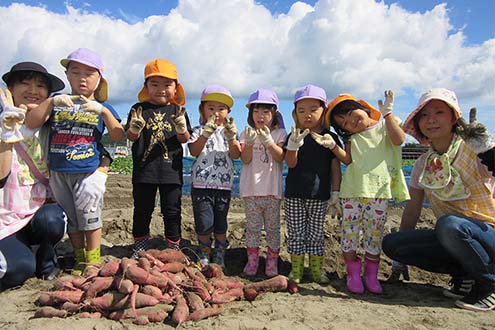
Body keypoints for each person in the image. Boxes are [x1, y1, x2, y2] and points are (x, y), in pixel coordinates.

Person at [382, 88, 495, 311]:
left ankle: (490, 284)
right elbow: (413, 209)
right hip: (454, 236)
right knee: (394, 244)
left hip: (487, 233)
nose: (431, 120)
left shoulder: (474, 150)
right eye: (424, 115)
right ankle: (464, 276)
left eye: (439, 112)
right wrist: (399, 260)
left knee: (450, 224)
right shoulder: (423, 164)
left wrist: (488, 151)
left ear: (454, 118)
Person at [25, 48, 124, 273]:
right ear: (67, 75)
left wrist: (103, 113)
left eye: (89, 73)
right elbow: (31, 122)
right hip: (58, 171)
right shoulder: (56, 101)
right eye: (75, 71)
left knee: (90, 218)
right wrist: (50, 104)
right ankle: (80, 257)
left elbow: (118, 135)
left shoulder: (104, 108)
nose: (82, 78)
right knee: (72, 219)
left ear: (99, 79)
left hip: (88, 171)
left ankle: (94, 260)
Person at [314, 90, 409, 294]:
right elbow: (346, 160)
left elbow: (399, 139)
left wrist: (388, 114)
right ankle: (353, 274)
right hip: (352, 192)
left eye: (350, 113)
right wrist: (332, 146)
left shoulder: (385, 126)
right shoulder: (352, 139)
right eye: (344, 123)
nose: (350, 121)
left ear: (363, 107)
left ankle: (371, 276)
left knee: (373, 237)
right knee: (349, 235)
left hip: (379, 193)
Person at [0, 62, 67, 289]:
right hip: (5, 219)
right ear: (9, 89)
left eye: (40, 85)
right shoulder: (4, 122)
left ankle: (42, 253)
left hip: (38, 214)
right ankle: (23, 253)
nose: (33, 90)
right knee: (17, 270)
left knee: (52, 221)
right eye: (25, 83)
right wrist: (6, 133)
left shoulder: (53, 126)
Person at [125, 58, 191, 258]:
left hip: (171, 171)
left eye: (167, 85)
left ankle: (173, 246)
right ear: (146, 86)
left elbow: (185, 138)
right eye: (154, 84)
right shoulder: (139, 109)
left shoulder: (177, 110)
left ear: (175, 88)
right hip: (145, 171)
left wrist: (181, 127)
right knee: (142, 210)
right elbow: (130, 137)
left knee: (172, 211)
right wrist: (134, 128)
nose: (161, 89)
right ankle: (140, 245)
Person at [284, 84, 342, 284]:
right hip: (294, 194)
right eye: (301, 110)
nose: (307, 115)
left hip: (320, 195)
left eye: (313, 109)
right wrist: (293, 146)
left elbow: (336, 167)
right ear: (295, 113)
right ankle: (297, 270)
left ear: (324, 111)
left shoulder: (330, 138)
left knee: (317, 235)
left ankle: (317, 270)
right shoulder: (293, 135)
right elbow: (290, 163)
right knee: (296, 234)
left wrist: (336, 193)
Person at [188, 85, 241, 268]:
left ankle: (220, 250)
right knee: (204, 223)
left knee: (220, 223)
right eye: (211, 108)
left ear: (228, 112)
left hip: (224, 186)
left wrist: (232, 137)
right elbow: (194, 151)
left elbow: (236, 155)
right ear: (202, 109)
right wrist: (205, 134)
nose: (216, 113)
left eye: (221, 109)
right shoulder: (197, 131)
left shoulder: (230, 132)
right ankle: (204, 250)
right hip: (201, 185)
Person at [239, 88, 287, 277]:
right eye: (256, 111)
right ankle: (252, 262)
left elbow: (280, 157)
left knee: (273, 229)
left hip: (272, 191)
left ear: (274, 113)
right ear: (251, 114)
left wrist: (268, 141)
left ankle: (272, 262)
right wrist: (250, 143)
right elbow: (245, 159)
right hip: (251, 190)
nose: (260, 116)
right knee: (252, 228)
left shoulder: (280, 134)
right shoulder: (246, 133)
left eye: (266, 112)